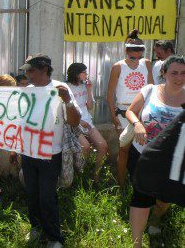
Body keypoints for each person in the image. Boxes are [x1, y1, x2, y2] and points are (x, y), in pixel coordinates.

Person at [19, 54, 81, 248]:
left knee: (47, 197)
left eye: (31, 70)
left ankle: (54, 237)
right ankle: (36, 226)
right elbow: (18, 119)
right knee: (32, 194)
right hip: (28, 152)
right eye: (26, 70)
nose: (27, 74)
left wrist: (68, 101)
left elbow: (74, 121)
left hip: (50, 154)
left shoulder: (60, 89)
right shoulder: (27, 91)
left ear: (44, 69)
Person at [125, 55, 185, 247]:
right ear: (164, 73)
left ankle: (156, 218)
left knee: (164, 198)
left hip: (172, 158)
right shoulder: (149, 90)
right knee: (140, 197)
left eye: (184, 73)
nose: (179, 77)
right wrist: (137, 125)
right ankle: (137, 243)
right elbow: (130, 111)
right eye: (174, 72)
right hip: (144, 154)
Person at [106, 29, 153, 187]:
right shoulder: (118, 67)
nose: (135, 61)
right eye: (132, 57)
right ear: (125, 51)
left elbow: (152, 88)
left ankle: (142, 184)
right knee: (124, 150)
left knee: (144, 150)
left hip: (143, 112)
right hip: (124, 113)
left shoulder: (146, 63)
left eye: (139, 57)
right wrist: (114, 119)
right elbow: (110, 94)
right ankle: (121, 185)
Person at [66, 62, 107, 182]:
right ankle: (79, 176)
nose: (86, 74)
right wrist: (79, 121)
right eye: (84, 72)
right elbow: (64, 110)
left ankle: (96, 175)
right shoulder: (66, 87)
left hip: (87, 122)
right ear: (76, 74)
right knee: (85, 147)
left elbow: (89, 106)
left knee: (103, 145)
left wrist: (89, 90)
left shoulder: (85, 86)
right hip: (74, 123)